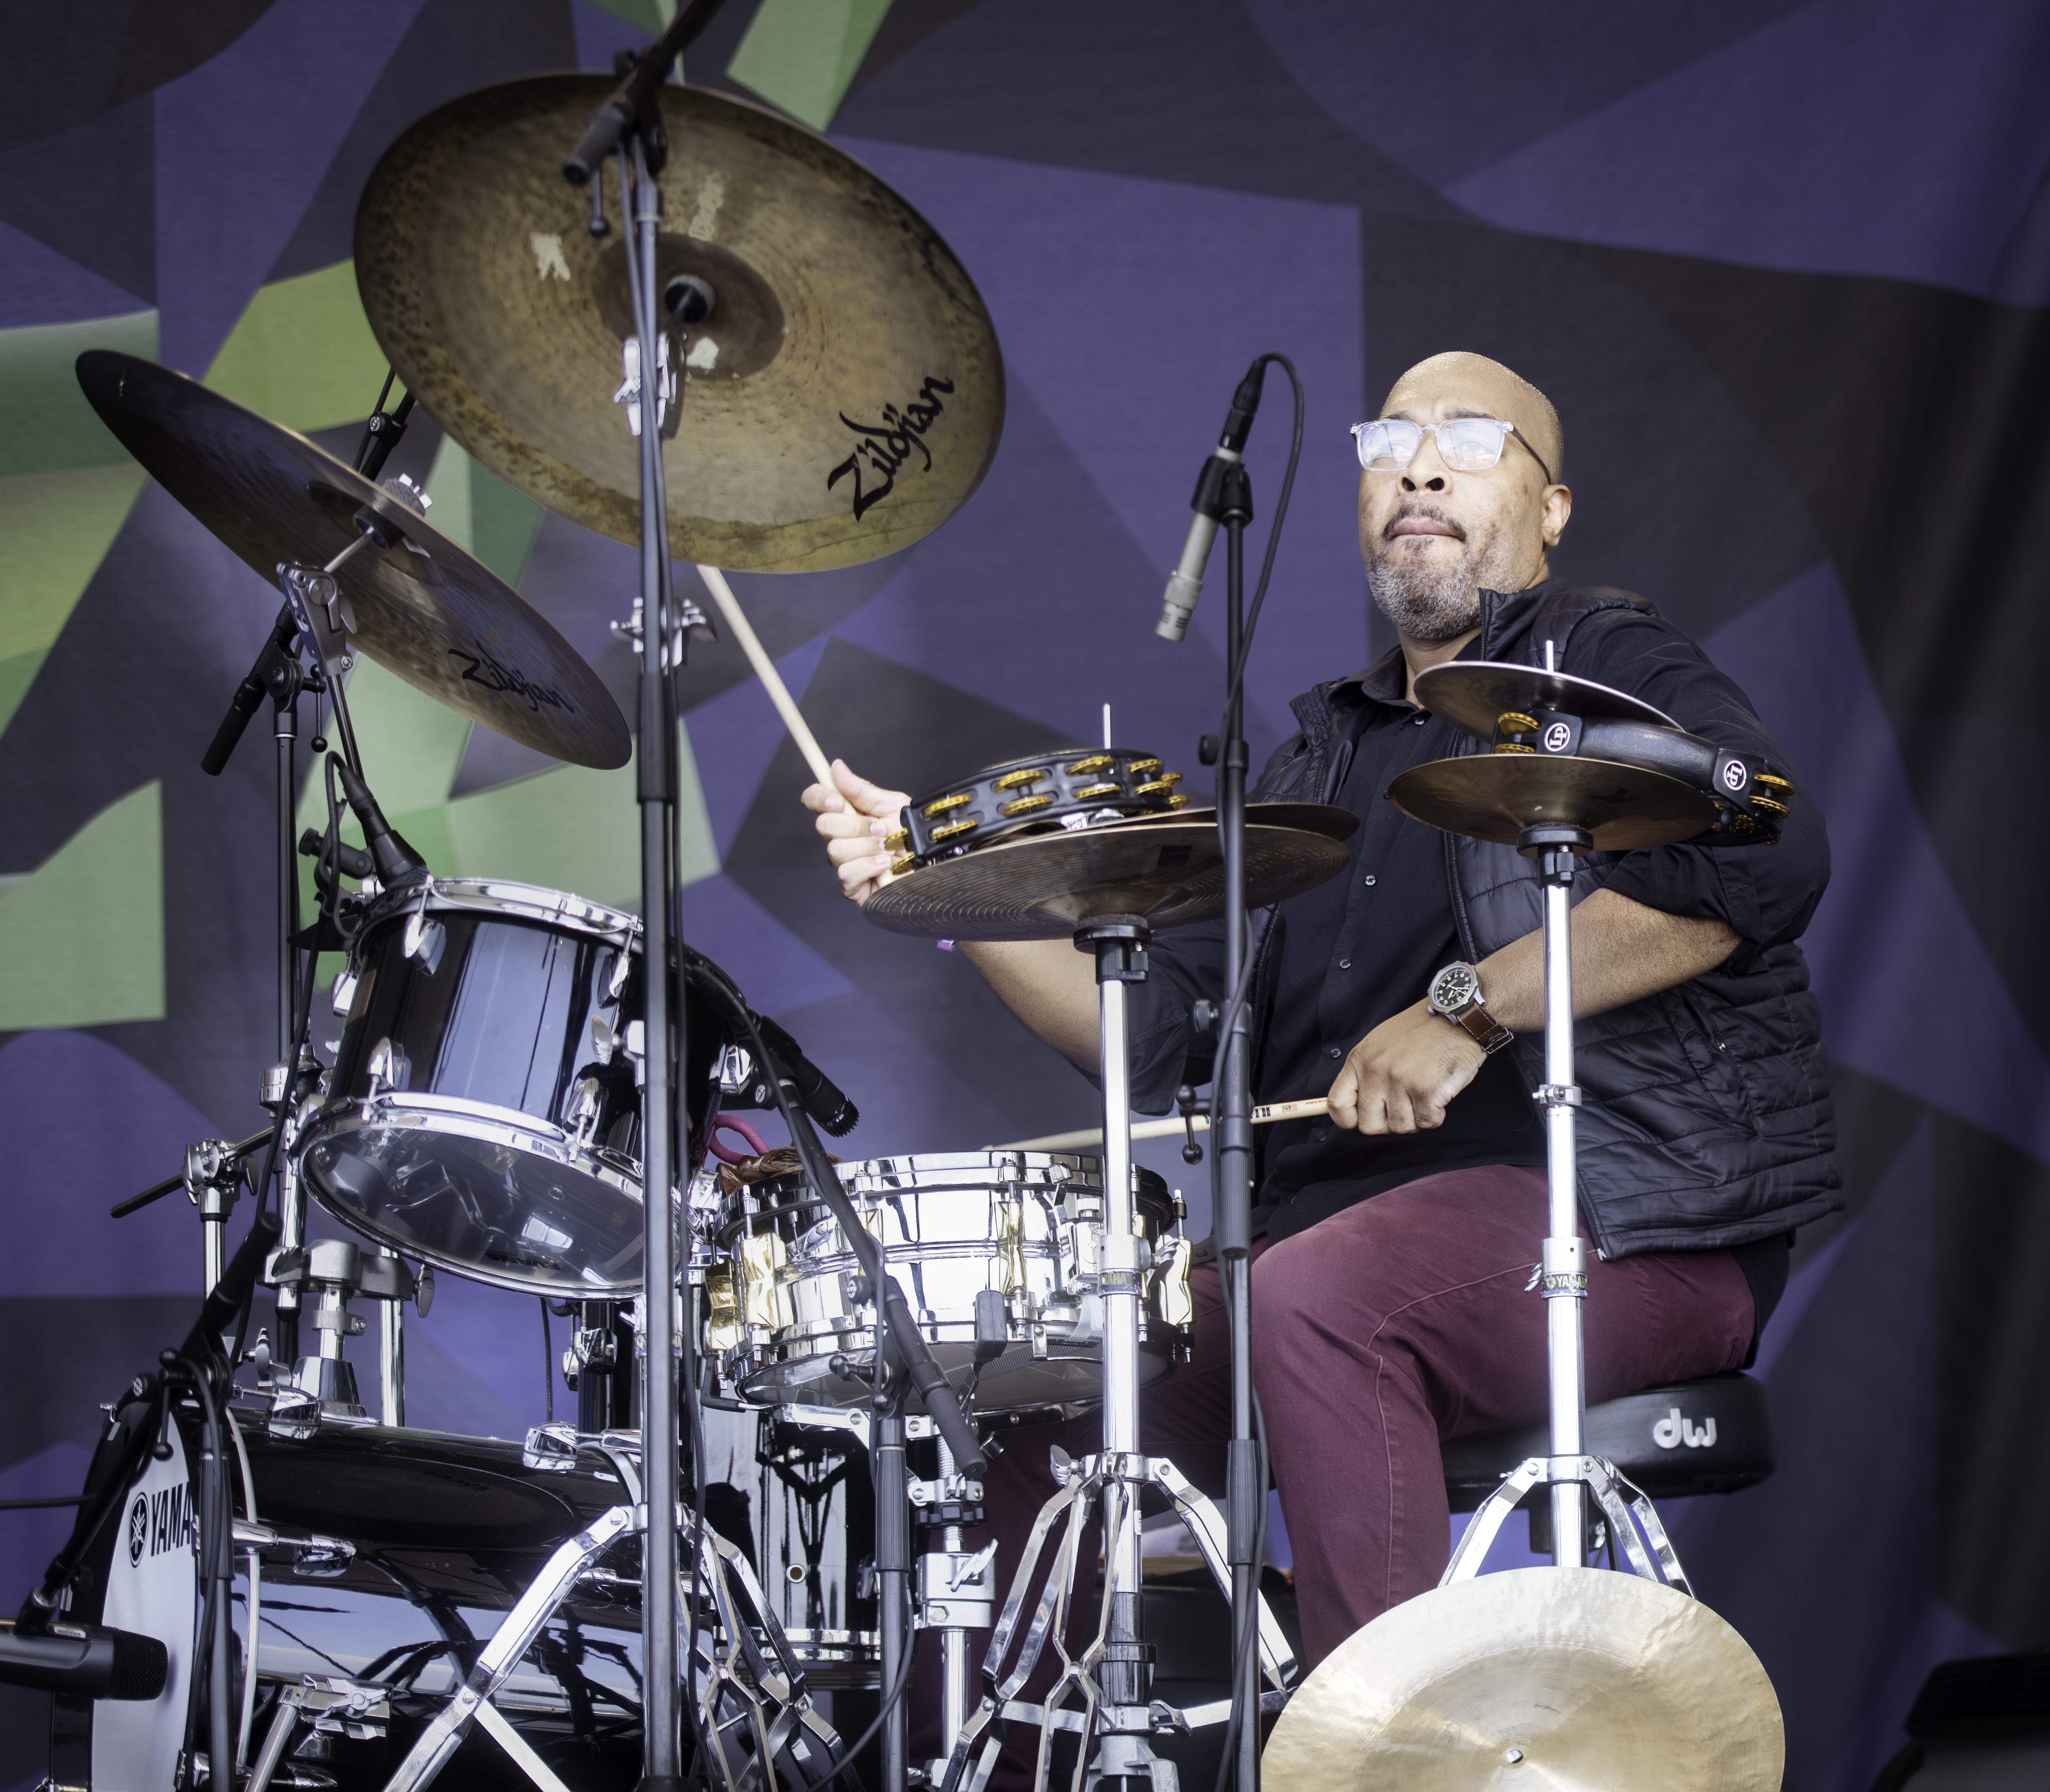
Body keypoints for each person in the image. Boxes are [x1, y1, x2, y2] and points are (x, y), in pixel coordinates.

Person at [803, 351, 1839, 1768]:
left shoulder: (1600, 658)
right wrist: (938, 891)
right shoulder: (1309, 767)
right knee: (1049, 1394)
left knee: (1315, 1300)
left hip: (1632, 1220)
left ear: (1549, 514)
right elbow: (1156, 1037)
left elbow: (1768, 850)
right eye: (1390, 439)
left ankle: (1376, 1763)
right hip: (1334, 1244)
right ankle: (978, 1761)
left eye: (1471, 441)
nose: (1419, 464)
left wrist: (1470, 1011)